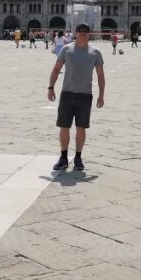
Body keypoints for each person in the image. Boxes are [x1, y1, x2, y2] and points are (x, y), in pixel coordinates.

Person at [47, 24, 105, 171]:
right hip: (67, 94)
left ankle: (78, 158)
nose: (83, 34)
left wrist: (101, 95)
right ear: (76, 33)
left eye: (86, 32)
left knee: (81, 128)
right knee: (64, 127)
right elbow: (56, 69)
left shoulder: (95, 52)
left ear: (89, 34)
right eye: (81, 32)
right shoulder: (67, 49)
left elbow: (100, 75)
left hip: (85, 95)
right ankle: (63, 157)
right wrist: (51, 88)